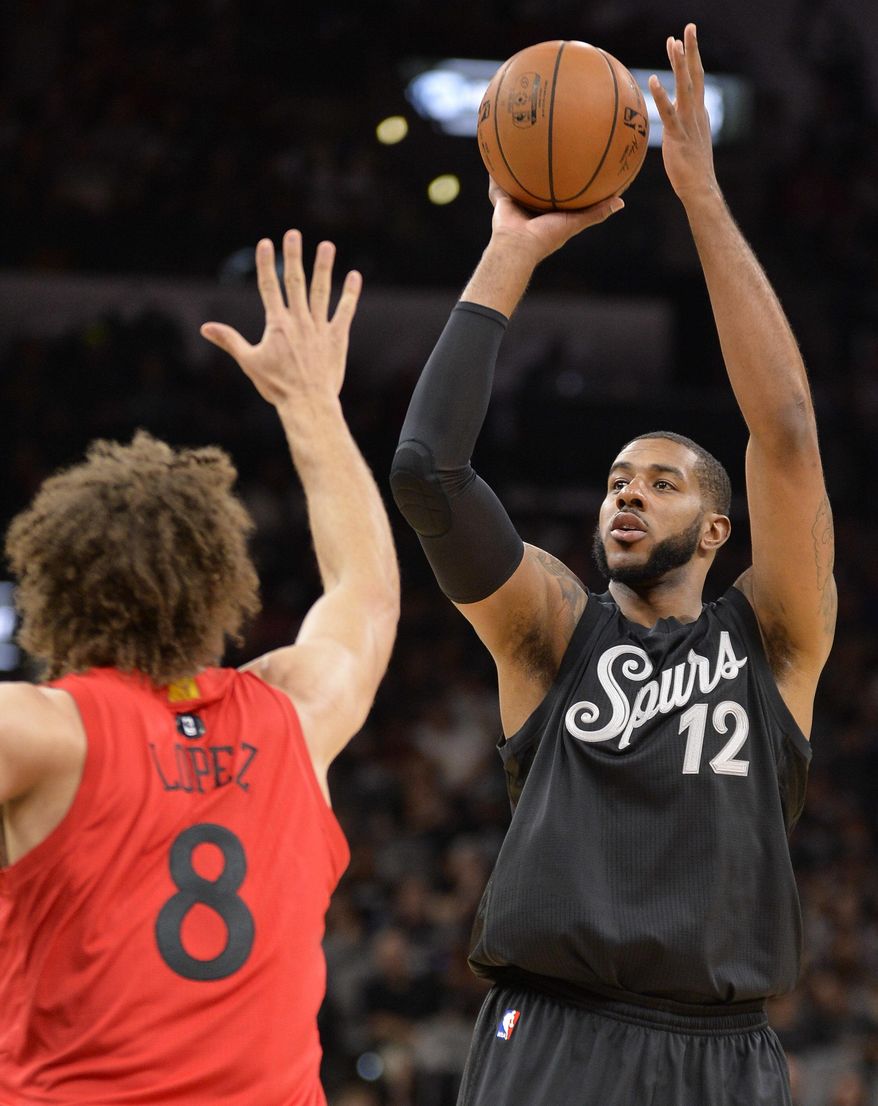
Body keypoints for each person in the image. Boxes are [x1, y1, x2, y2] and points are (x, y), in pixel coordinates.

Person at [390, 24, 835, 1106]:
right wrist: (510, 249)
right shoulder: (551, 628)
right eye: (613, 480)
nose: (625, 491)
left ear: (718, 529)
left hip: (722, 1052)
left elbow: (779, 428)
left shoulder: (770, 637)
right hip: (551, 1034)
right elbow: (427, 472)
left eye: (661, 480)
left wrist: (699, 197)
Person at [0, 232, 399, 1104]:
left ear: (57, 589)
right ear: (221, 584)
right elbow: (366, 598)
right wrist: (310, 405)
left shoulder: (42, 731)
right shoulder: (292, 719)